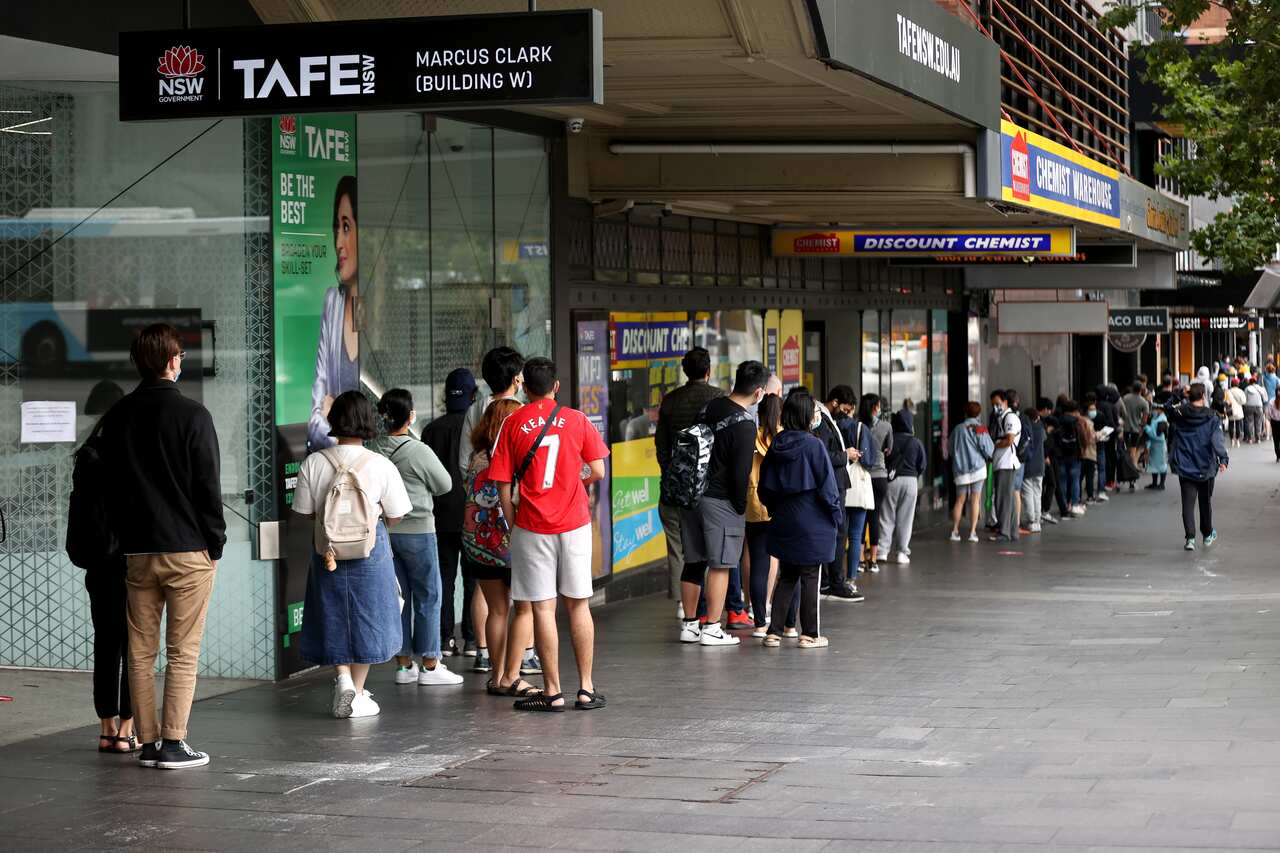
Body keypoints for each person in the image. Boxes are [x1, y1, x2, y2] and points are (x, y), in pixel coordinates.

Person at [99, 324, 225, 770]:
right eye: (181, 356)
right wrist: (216, 542)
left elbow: (108, 487)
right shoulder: (193, 416)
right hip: (188, 548)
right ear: (172, 361)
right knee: (182, 650)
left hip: (137, 550)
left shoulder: (118, 416)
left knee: (139, 649)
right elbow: (207, 486)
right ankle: (173, 742)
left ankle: (147, 742)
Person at [488, 357, 610, 711]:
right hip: (574, 524)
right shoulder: (577, 420)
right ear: (556, 386)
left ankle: (553, 691)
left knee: (542, 608)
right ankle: (586, 688)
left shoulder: (513, 422)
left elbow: (500, 483)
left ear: (524, 387)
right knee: (578, 604)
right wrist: (578, 481)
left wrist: (513, 522)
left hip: (531, 526)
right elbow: (599, 470)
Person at [294, 392, 411, 720]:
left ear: (334, 422)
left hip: (327, 550)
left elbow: (304, 512)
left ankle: (343, 678)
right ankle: (356, 692)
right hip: (370, 550)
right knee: (369, 617)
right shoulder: (380, 464)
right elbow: (398, 514)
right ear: (368, 421)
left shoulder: (315, 462)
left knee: (331, 612)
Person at [371, 389, 461, 687]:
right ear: (410, 417)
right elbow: (444, 484)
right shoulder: (417, 450)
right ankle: (431, 665)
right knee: (428, 596)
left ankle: (403, 665)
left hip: (384, 533)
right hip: (418, 531)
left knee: (399, 598)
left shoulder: (373, 448)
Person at [676, 361, 768, 647]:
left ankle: (690, 626)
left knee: (693, 561)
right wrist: (740, 507)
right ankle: (713, 628)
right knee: (721, 564)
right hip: (720, 501)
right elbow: (740, 474)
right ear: (759, 392)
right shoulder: (744, 424)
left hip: (691, 494)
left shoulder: (710, 407)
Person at [452, 348, 526, 664]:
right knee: (527, 604)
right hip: (515, 523)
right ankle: (524, 659)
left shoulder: (475, 411)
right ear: (516, 378)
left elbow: (463, 464)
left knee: (489, 599)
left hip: (479, 524)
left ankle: (485, 655)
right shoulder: (521, 412)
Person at [463, 397, 540, 698]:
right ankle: (512, 675)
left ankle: (496, 677)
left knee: (497, 610)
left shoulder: (476, 458)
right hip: (512, 544)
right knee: (525, 609)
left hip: (479, 545)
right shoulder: (514, 457)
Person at [759, 389, 841, 650]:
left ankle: (774, 632)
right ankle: (811, 633)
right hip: (812, 521)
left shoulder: (777, 444)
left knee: (788, 576)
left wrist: (776, 510)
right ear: (807, 415)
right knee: (810, 576)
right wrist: (836, 515)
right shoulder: (814, 445)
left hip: (784, 518)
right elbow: (828, 488)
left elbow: (764, 488)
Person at [654, 347, 726, 617]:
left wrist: (671, 470)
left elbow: (661, 444)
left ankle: (684, 605)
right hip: (709, 487)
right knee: (708, 546)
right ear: (709, 371)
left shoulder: (671, 400)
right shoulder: (719, 399)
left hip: (674, 486)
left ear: (685, 371)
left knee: (677, 547)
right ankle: (707, 603)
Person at [422, 368, 484, 669]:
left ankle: (446, 638)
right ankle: (472, 639)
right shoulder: (479, 428)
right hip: (472, 514)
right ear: (473, 395)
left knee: (444, 578)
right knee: (473, 580)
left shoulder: (431, 430)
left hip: (439, 515)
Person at [309, 175, 362, 452]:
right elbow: (314, 419)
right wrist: (343, 440)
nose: (338, 242)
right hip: (336, 467)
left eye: (346, 227)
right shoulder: (333, 302)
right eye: (336, 229)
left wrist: (334, 424)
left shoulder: (378, 312)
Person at [1165, 384, 1229, 551]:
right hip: (1205, 466)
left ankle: (1190, 539)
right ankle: (1207, 534)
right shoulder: (1212, 417)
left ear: (1189, 396)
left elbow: (1167, 408)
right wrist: (1223, 459)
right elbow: (1217, 440)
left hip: (1185, 465)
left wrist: (1178, 394)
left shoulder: (1180, 413)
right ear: (1203, 396)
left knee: (1187, 503)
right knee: (1205, 502)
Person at [815, 386, 858, 599]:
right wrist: (845, 455)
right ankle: (834, 582)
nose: (847, 415)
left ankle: (828, 581)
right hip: (833, 483)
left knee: (838, 532)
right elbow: (823, 455)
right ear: (834, 402)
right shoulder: (822, 421)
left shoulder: (826, 418)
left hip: (837, 482)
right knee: (838, 532)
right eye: (845, 409)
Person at [745, 392, 782, 637]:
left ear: (759, 414)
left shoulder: (751, 438)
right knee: (784, 564)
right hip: (781, 507)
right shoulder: (785, 439)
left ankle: (759, 621)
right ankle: (785, 622)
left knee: (757, 563)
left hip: (754, 505)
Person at [880, 409, 925, 563]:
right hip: (910, 481)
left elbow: (883, 459)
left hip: (891, 480)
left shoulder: (889, 439)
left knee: (886, 516)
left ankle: (882, 551)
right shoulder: (916, 442)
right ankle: (901, 552)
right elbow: (922, 465)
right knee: (905, 518)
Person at [949, 401, 993, 542]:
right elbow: (988, 449)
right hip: (978, 468)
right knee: (975, 499)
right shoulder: (980, 428)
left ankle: (954, 531)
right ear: (978, 413)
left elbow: (950, 449)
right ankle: (972, 532)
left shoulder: (957, 429)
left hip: (960, 469)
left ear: (965, 413)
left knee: (960, 500)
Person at [861, 393, 891, 570]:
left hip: (863, 476)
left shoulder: (858, 425)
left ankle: (859, 559)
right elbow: (889, 449)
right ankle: (873, 560)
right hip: (880, 477)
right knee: (875, 517)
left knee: (860, 518)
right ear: (875, 407)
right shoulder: (886, 426)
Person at [988, 389, 1022, 542]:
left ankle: (1004, 532)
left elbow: (1009, 440)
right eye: (993, 405)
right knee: (1008, 499)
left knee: (1002, 499)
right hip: (1003, 463)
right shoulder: (1002, 417)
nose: (996, 407)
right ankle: (1012, 532)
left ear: (1005, 402)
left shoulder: (1009, 418)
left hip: (1006, 463)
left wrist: (993, 446)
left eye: (998, 404)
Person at [1020, 406, 1046, 533]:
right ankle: (1037, 520)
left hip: (1028, 466)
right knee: (1037, 494)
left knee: (1028, 494)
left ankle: (1031, 521)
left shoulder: (1025, 429)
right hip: (1040, 466)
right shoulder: (1041, 429)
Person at [1122, 381, 1150, 469]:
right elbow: (1145, 418)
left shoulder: (1125, 398)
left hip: (1125, 427)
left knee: (1126, 447)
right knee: (1134, 447)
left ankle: (1128, 466)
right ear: (1141, 390)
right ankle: (1133, 466)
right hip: (1136, 428)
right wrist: (1142, 427)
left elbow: (1120, 412)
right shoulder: (1144, 402)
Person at [1077, 398, 1098, 512]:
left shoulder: (1080, 420)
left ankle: (1078, 497)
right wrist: (1099, 435)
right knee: (1089, 477)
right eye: (1091, 409)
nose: (1094, 411)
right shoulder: (1088, 422)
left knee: (1080, 477)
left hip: (1081, 454)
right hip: (1089, 453)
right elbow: (1091, 438)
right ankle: (1090, 496)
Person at [1143, 405, 1169, 490]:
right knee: (1153, 465)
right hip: (1154, 445)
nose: (1153, 410)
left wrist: (1146, 428)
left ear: (1160, 410)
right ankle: (1154, 483)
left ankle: (1162, 484)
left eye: (1155, 409)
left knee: (1161, 465)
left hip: (1159, 446)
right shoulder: (1156, 418)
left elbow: (1156, 435)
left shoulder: (1162, 420)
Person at [1243, 377, 1266, 444]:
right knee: (1258, 422)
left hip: (1249, 407)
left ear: (1249, 382)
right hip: (1259, 407)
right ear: (1256, 382)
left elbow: (1245, 399)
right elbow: (1265, 399)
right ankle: (1258, 439)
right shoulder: (1260, 388)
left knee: (1250, 422)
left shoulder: (1247, 389)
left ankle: (1250, 439)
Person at [1226, 378, 1246, 447]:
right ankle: (1237, 441)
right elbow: (1244, 402)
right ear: (1238, 384)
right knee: (1238, 425)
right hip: (1238, 410)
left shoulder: (1228, 391)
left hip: (1230, 410)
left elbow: (1225, 401)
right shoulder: (1240, 391)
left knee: (1231, 425)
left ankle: (1232, 440)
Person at [1265, 390, 1280, 461]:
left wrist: (1270, 419)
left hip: (1274, 422)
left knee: (1276, 439)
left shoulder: (1271, 401)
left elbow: (1268, 413)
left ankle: (1278, 455)